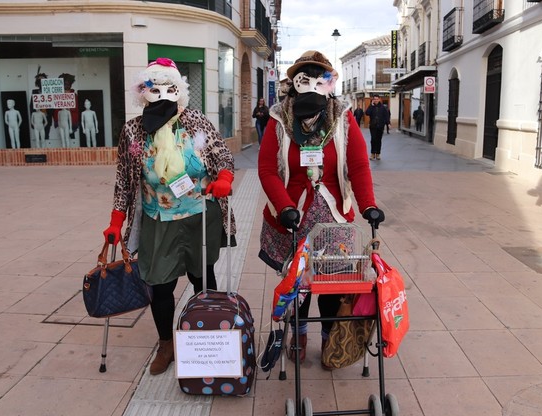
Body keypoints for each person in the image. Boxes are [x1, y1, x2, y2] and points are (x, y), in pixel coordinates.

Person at [102, 58, 236, 376]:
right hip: (157, 219)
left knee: (203, 280)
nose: (162, 94)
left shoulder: (194, 121)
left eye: (169, 88)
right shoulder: (134, 131)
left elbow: (221, 153)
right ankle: (167, 344)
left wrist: (225, 177)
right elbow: (124, 178)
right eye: (155, 88)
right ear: (143, 92)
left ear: (179, 91)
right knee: (159, 285)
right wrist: (116, 221)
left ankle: (208, 339)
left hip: (199, 215)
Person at [257, 50, 385, 369]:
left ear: (329, 83)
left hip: (333, 219)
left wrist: (368, 204)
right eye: (305, 77)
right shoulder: (278, 119)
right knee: (298, 285)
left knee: (332, 284)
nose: (312, 84)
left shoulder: (342, 117)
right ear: (295, 82)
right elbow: (267, 170)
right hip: (292, 217)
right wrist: (285, 207)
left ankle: (330, 338)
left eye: (320, 78)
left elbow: (357, 164)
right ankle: (299, 335)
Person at [365, 95, 389, 160]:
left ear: (379, 99)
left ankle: (378, 154)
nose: (375, 100)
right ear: (373, 100)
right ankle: (372, 154)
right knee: (373, 140)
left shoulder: (383, 107)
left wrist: (388, 123)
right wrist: (371, 105)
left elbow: (386, 116)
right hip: (373, 126)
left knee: (378, 140)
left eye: (377, 99)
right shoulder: (371, 107)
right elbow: (367, 113)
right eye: (374, 99)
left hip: (380, 126)